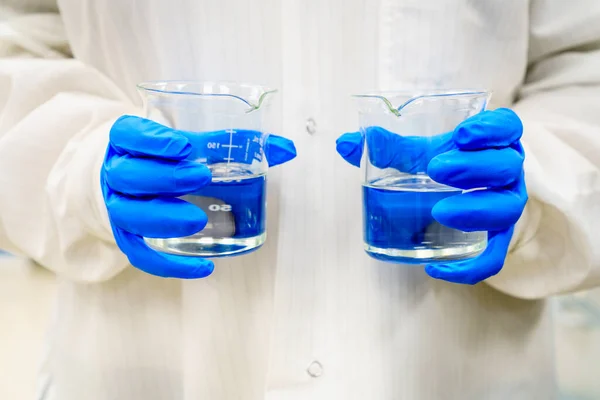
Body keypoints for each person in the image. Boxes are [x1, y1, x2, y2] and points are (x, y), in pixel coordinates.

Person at [1, 0, 600, 399]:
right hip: (141, 364)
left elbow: (585, 62)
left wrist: (540, 181)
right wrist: (78, 165)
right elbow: (15, 44)